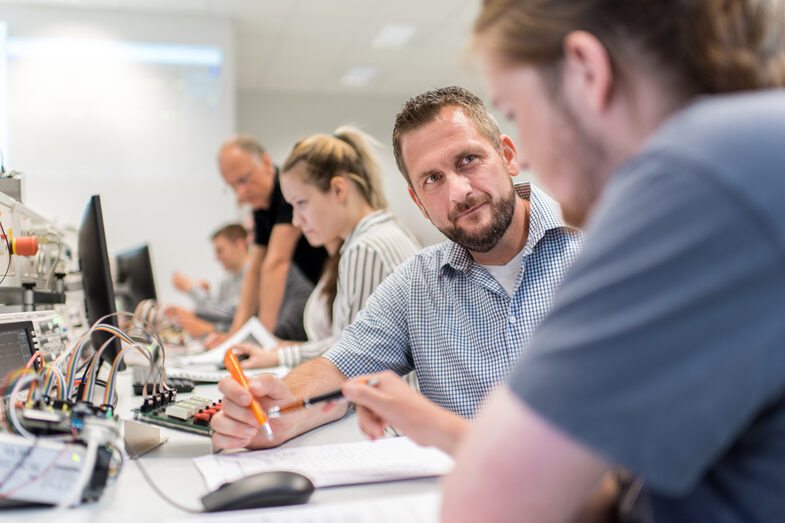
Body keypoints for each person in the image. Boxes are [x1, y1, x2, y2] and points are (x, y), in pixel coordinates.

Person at [436, 1, 785, 522]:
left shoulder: (695, 169)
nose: (524, 158)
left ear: (586, 71)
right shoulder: (752, 150)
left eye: (514, 111)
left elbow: (486, 509)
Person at [210, 86, 583, 450]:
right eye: (432, 179)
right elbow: (340, 365)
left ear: (507, 155)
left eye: (468, 160)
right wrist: (281, 407)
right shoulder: (416, 283)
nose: (459, 192)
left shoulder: (601, 247)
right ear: (418, 202)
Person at [230, 126, 421, 369]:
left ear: (339, 190)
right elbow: (349, 342)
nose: (297, 221)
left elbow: (354, 361)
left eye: (301, 203)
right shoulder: (376, 235)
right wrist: (283, 354)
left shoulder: (366, 248)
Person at [209, 135, 328, 345]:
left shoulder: (287, 191)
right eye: (232, 186)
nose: (240, 193)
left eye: (243, 180)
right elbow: (254, 271)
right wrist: (234, 338)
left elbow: (276, 264)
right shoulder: (261, 208)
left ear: (265, 163)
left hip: (331, 284)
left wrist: (260, 340)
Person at [166, 223, 250, 338]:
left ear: (239, 245)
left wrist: (192, 289)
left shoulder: (253, 276)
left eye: (220, 251)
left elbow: (231, 313)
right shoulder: (227, 280)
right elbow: (220, 315)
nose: (217, 258)